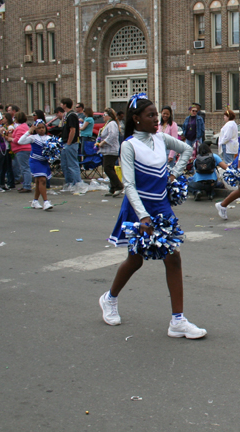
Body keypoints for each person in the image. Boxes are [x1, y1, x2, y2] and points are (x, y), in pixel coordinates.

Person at [100, 93, 205, 339]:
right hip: (139, 209)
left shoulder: (161, 138)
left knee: (174, 258)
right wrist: (143, 216)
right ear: (136, 119)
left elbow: (187, 149)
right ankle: (110, 298)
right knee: (135, 260)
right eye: (150, 115)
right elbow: (128, 185)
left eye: (157, 114)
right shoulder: (129, 145)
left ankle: (177, 321)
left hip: (162, 206)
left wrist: (173, 174)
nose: (156, 119)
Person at [18, 120, 54, 210]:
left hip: (44, 162)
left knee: (39, 182)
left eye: (43, 127)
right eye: (39, 128)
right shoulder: (33, 137)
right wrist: (28, 132)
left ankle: (35, 201)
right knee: (42, 180)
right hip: (35, 161)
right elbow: (20, 141)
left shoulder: (49, 138)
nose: (41, 129)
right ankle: (46, 202)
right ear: (36, 129)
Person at [97, 108, 124, 197]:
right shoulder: (108, 124)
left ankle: (119, 186)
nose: (103, 117)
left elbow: (112, 135)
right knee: (109, 168)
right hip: (107, 150)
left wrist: (103, 143)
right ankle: (113, 188)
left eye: (104, 115)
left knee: (107, 168)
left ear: (109, 116)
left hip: (111, 150)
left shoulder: (112, 124)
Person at [60, 98, 81, 190]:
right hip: (65, 143)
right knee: (65, 165)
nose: (61, 105)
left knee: (72, 164)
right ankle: (69, 183)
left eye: (62, 103)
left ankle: (77, 183)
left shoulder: (72, 115)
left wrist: (69, 143)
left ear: (65, 105)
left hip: (71, 144)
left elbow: (73, 130)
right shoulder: (66, 115)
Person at [11, 112, 33, 193]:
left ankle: (27, 185)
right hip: (25, 149)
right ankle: (26, 185)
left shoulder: (20, 128)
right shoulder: (24, 126)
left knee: (25, 168)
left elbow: (17, 140)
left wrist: (10, 139)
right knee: (25, 167)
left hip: (22, 149)